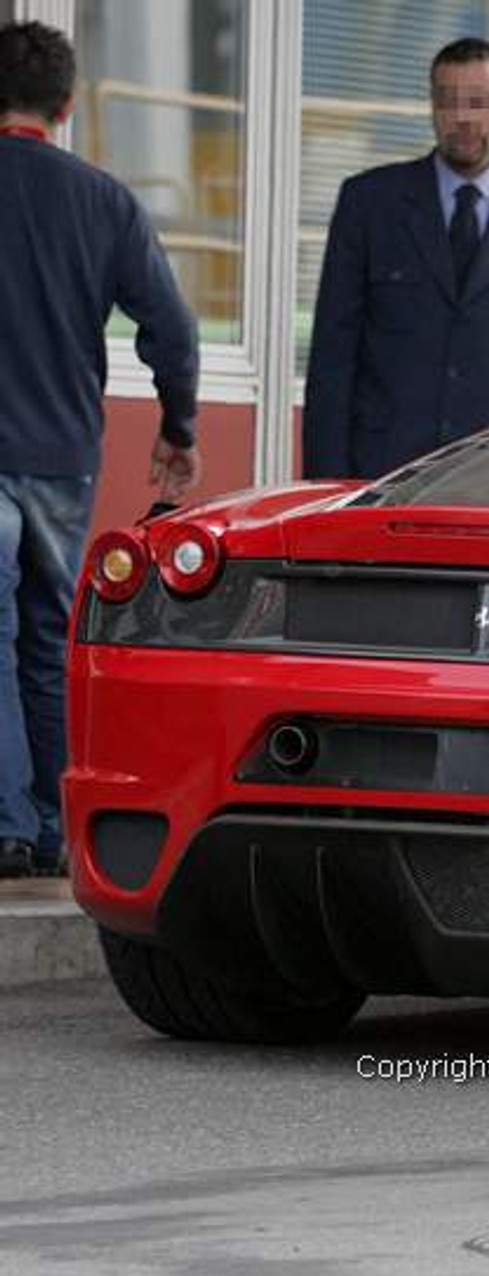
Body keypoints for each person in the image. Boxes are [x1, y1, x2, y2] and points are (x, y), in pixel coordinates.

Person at [0, 21, 200, 879]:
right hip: (61, 454)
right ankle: (50, 827)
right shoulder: (104, 200)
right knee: (48, 639)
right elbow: (174, 326)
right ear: (70, 104)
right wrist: (178, 425)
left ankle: (7, 822)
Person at [304, 37, 489, 481]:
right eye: (448, 102)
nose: (463, 119)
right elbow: (332, 358)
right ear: (431, 107)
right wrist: (326, 488)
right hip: (381, 476)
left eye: (479, 102)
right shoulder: (370, 203)